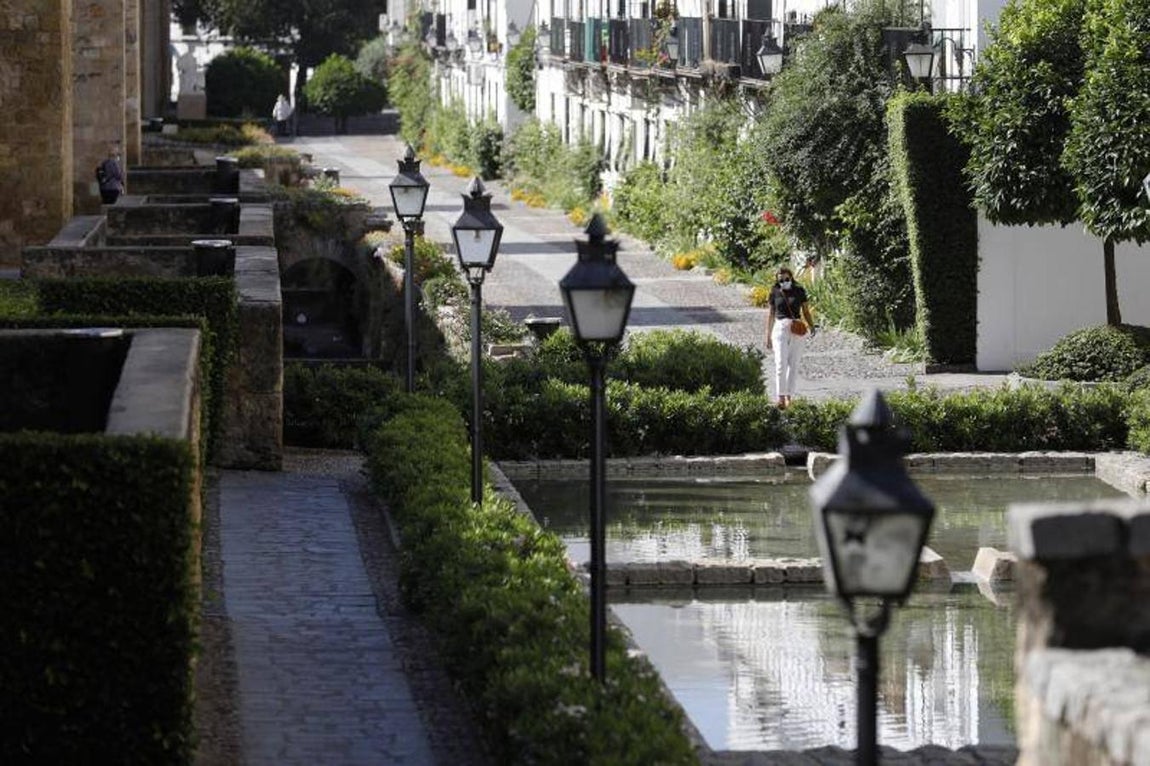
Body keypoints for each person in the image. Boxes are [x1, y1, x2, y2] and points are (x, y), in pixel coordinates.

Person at [764, 266, 816, 409]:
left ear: (791, 278)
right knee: (780, 364)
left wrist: (812, 326)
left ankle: (789, 397)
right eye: (780, 279)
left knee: (793, 365)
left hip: (796, 329)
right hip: (780, 328)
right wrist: (767, 335)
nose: (783, 282)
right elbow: (771, 314)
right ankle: (780, 397)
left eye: (786, 279)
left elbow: (805, 311)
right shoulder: (774, 291)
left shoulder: (799, 291)